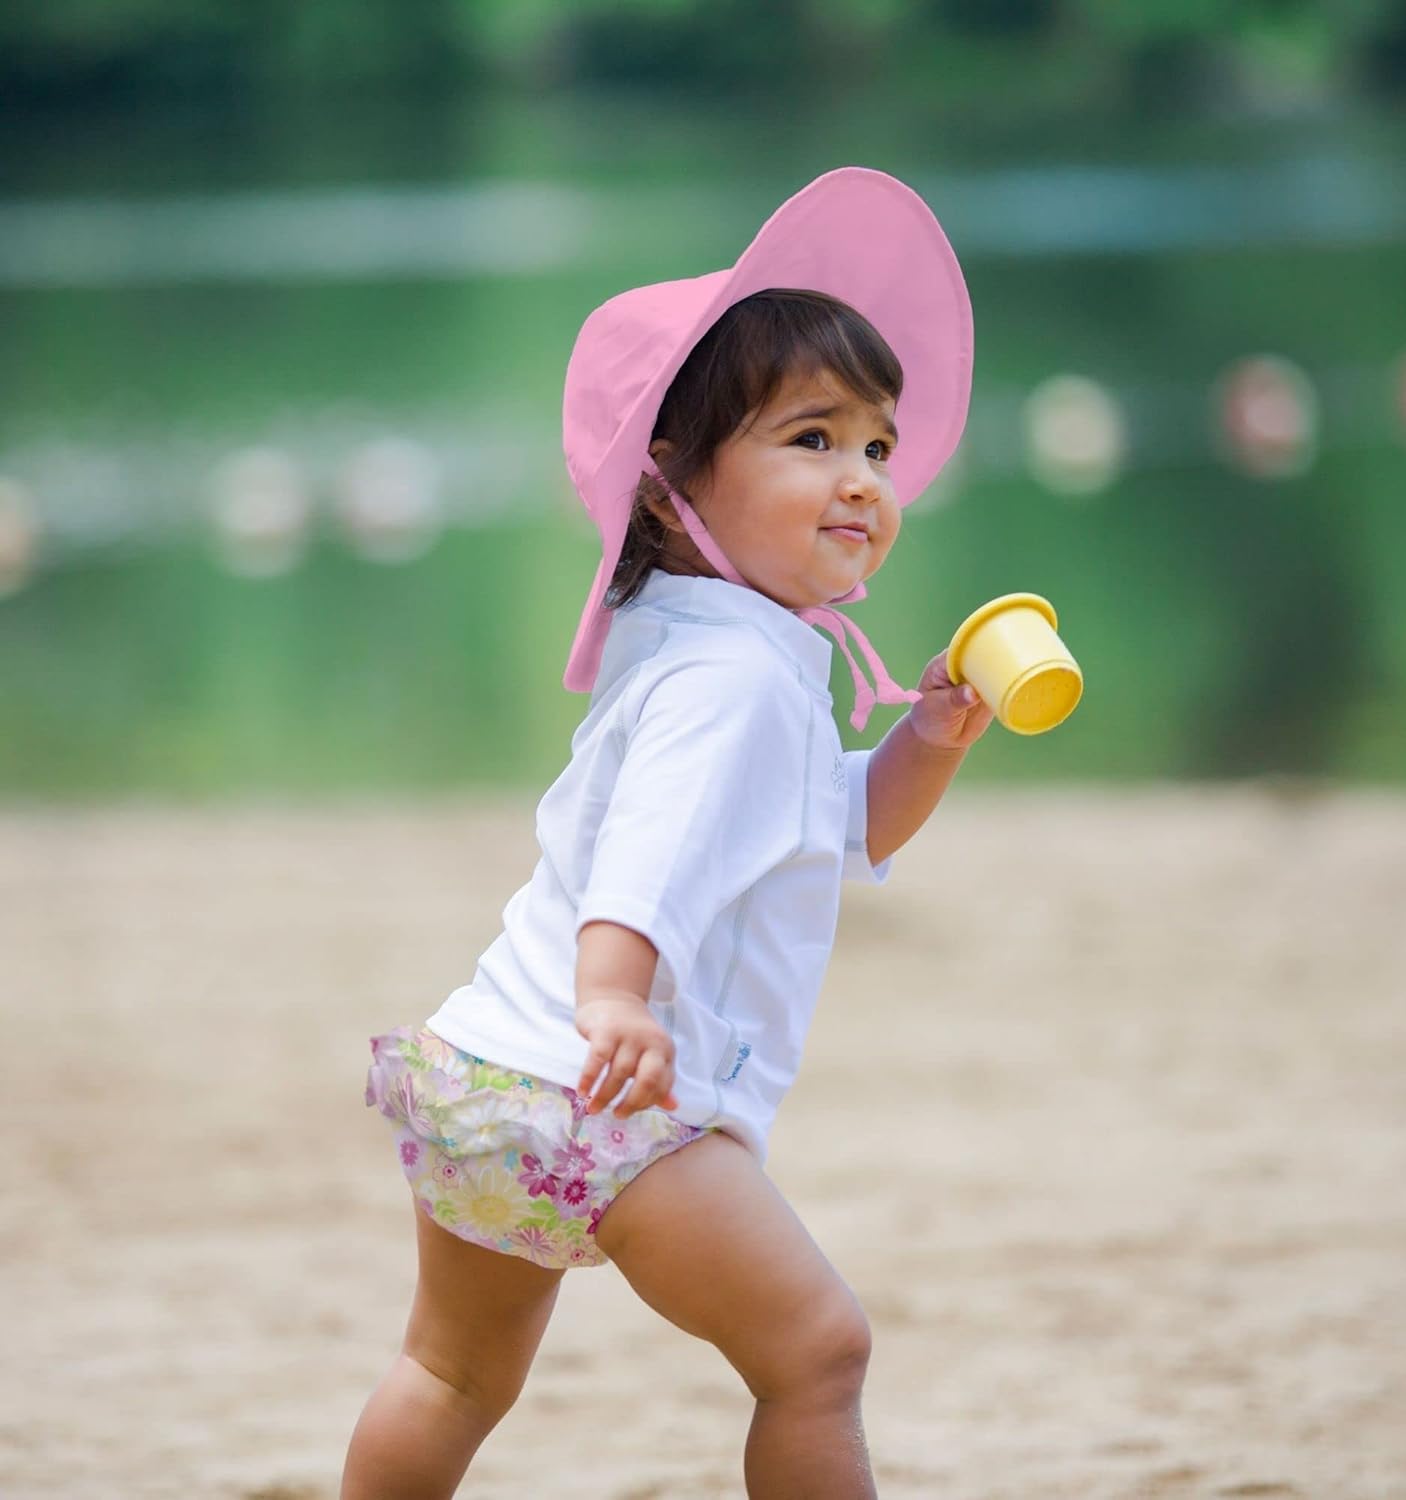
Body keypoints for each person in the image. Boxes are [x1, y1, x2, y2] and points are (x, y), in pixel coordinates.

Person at [342, 166, 990, 1500]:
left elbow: (843, 833)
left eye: (877, 445)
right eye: (810, 441)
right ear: (665, 492)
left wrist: (925, 741)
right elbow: (644, 852)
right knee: (818, 1350)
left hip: (492, 1075)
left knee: (453, 1376)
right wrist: (616, 994)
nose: (864, 479)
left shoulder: (717, 645)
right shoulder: (737, 679)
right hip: (610, 1093)